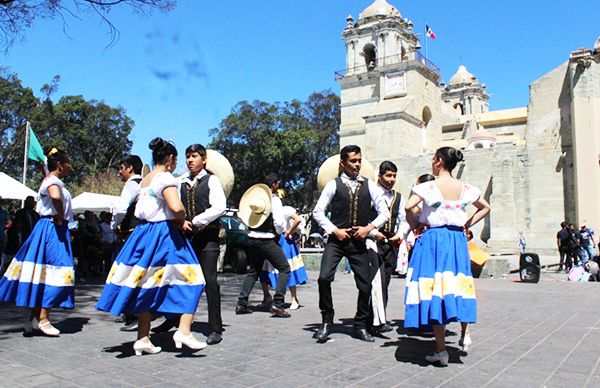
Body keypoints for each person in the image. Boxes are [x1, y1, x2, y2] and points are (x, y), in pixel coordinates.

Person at [97, 138, 207, 355]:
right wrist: (182, 219)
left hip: (143, 234)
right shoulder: (166, 178)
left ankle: (143, 338)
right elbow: (176, 207)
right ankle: (183, 330)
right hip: (164, 236)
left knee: (146, 284)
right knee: (194, 278)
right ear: (171, 159)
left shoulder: (145, 179)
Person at [404, 146, 490, 366]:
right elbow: (485, 207)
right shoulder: (466, 187)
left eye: (434, 159)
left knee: (436, 289)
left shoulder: (427, 187)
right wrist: (466, 224)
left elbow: (408, 207)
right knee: (458, 284)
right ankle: (465, 332)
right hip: (457, 240)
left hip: (434, 240)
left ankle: (441, 349)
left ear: (439, 161)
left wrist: (416, 225)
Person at [312, 145, 389, 343]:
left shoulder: (369, 185)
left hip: (359, 241)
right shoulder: (333, 184)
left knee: (365, 285)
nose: (357, 165)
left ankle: (360, 325)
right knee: (324, 278)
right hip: (337, 241)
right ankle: (327, 320)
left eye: (359, 161)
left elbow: (384, 212)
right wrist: (334, 230)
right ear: (343, 163)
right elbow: (318, 212)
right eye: (353, 161)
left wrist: (368, 228)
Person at [152, 143, 227, 345]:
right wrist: (180, 222)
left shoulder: (212, 181)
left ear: (203, 160)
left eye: (194, 156)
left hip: (207, 237)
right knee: (176, 279)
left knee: (210, 281)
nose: (190, 160)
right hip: (184, 238)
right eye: (187, 156)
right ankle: (172, 320)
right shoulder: (178, 181)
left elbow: (219, 207)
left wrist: (196, 221)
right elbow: (169, 203)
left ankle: (215, 327)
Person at [0, 147, 75, 336]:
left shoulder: (51, 181)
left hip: (50, 228)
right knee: (58, 271)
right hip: (52, 229)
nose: (69, 167)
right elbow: (56, 196)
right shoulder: (53, 182)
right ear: (59, 165)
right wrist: (59, 215)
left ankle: (34, 318)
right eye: (67, 163)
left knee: (45, 272)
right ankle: (42, 318)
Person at [236, 174, 291, 318]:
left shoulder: (255, 200)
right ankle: (278, 304)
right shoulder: (275, 200)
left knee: (253, 271)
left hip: (252, 239)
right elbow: (279, 223)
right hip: (267, 240)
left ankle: (241, 303)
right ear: (273, 185)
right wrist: (279, 233)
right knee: (284, 268)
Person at [370, 161, 409, 334]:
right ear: (380, 176)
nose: (391, 179)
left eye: (394, 176)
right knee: (375, 282)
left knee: (385, 281)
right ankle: (372, 320)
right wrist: (373, 232)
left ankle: (380, 318)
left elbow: (405, 219)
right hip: (372, 241)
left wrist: (399, 235)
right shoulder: (371, 193)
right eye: (388, 175)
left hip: (390, 242)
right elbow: (363, 217)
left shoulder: (398, 198)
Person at [111, 155, 143, 332]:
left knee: (129, 273)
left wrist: (114, 225)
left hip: (131, 233)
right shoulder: (143, 184)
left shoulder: (131, 184)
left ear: (130, 168)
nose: (119, 172)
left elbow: (122, 208)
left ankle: (134, 315)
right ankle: (129, 312)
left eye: (121, 168)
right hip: (136, 232)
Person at [261, 202, 309, 311]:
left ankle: (294, 299)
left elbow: (298, 219)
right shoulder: (266, 210)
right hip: (271, 239)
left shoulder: (285, 210)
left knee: (289, 268)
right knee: (266, 268)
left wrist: (288, 232)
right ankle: (267, 296)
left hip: (284, 241)